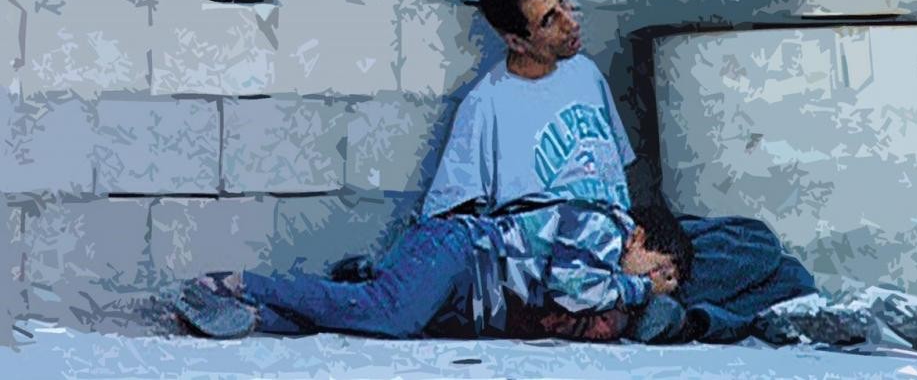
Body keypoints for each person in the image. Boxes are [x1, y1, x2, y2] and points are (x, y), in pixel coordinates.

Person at [172, 200, 690, 340]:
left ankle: (254, 316)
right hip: (458, 253)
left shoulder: (611, 272)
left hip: (464, 291)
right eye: (660, 270)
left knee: (376, 322)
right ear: (640, 238)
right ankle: (232, 283)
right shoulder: (605, 227)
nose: (654, 284)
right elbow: (571, 288)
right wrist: (637, 289)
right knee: (391, 315)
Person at [421, 0, 638, 218]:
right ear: (516, 42)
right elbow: (447, 217)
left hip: (619, 233)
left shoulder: (587, 74)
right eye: (548, 20)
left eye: (562, 1)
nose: (571, 23)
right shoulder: (485, 106)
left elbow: (620, 173)